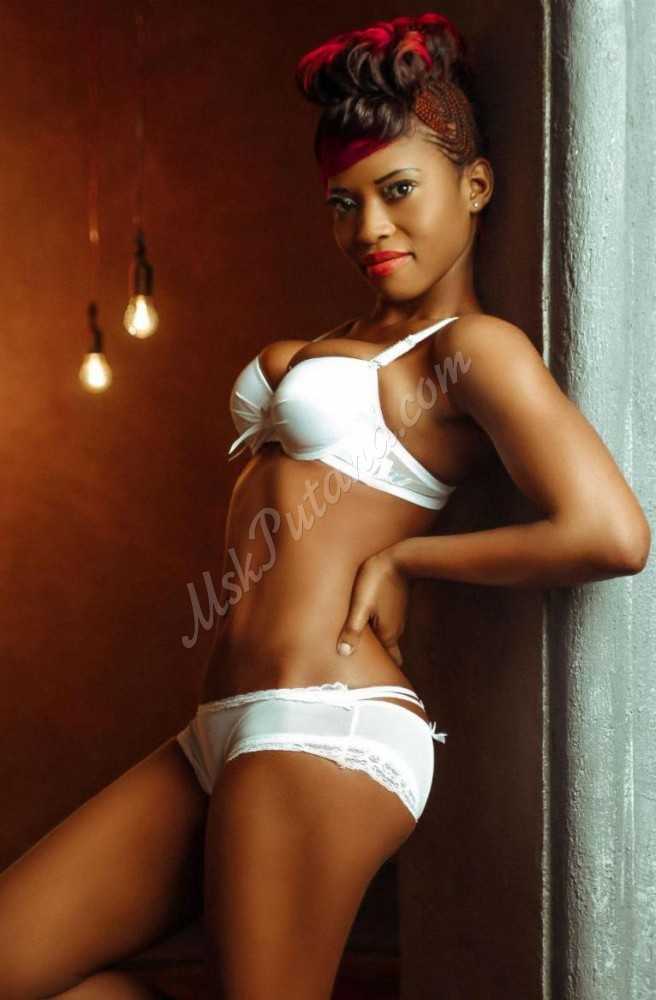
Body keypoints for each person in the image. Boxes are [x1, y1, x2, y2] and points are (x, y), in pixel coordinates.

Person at [0, 12, 650, 1000]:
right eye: (345, 204)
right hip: (221, 722)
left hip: (325, 722)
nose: (370, 229)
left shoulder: (470, 351)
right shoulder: (343, 335)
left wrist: (405, 560)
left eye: (398, 191)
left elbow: (609, 532)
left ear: (475, 186)